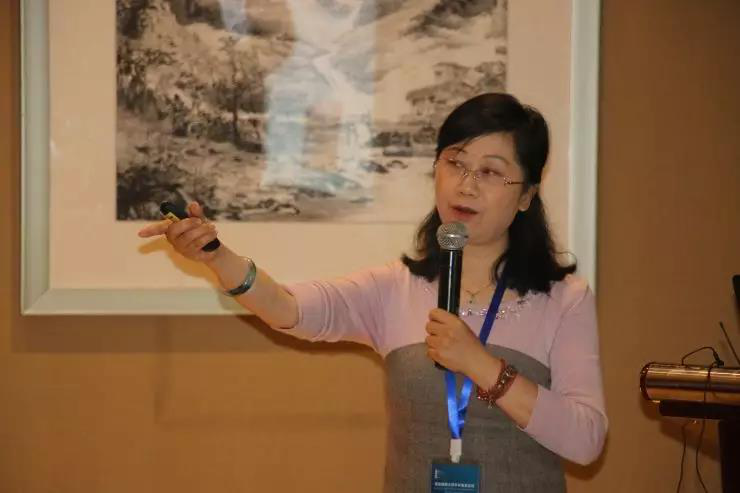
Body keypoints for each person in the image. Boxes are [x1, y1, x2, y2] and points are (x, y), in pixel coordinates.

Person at [138, 93, 607, 492]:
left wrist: (481, 364)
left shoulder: (564, 299)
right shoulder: (393, 288)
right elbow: (287, 308)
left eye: (490, 172)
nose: (466, 185)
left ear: (526, 195)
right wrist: (217, 256)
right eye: (455, 163)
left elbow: (586, 441)